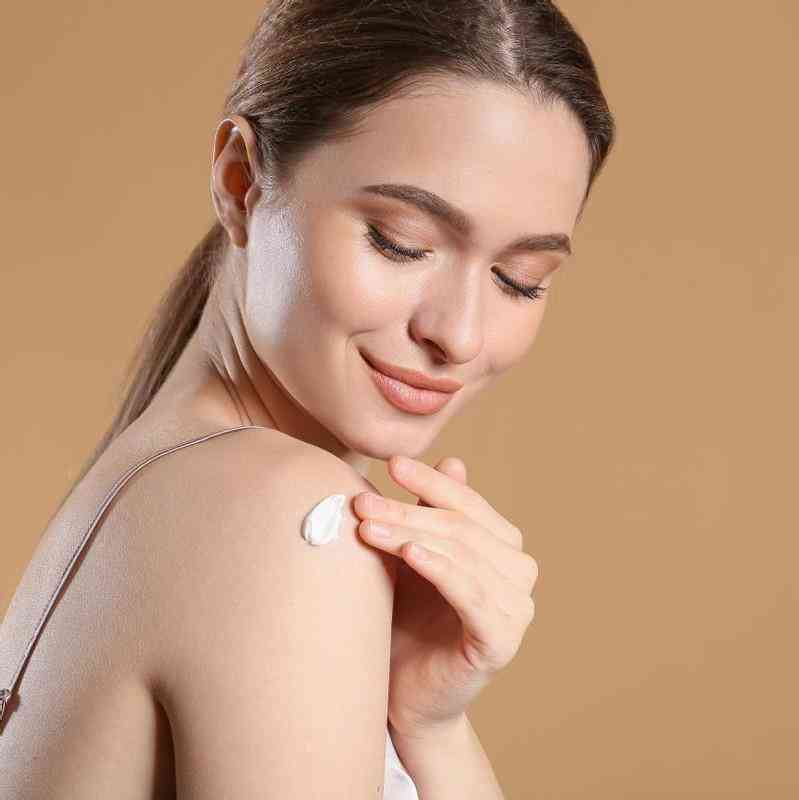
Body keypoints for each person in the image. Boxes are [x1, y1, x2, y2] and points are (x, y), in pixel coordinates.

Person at [0, 0, 616, 796]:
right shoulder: (284, 517)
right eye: (401, 242)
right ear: (241, 182)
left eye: (518, 279)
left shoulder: (157, 482)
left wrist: (430, 723)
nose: (459, 335)